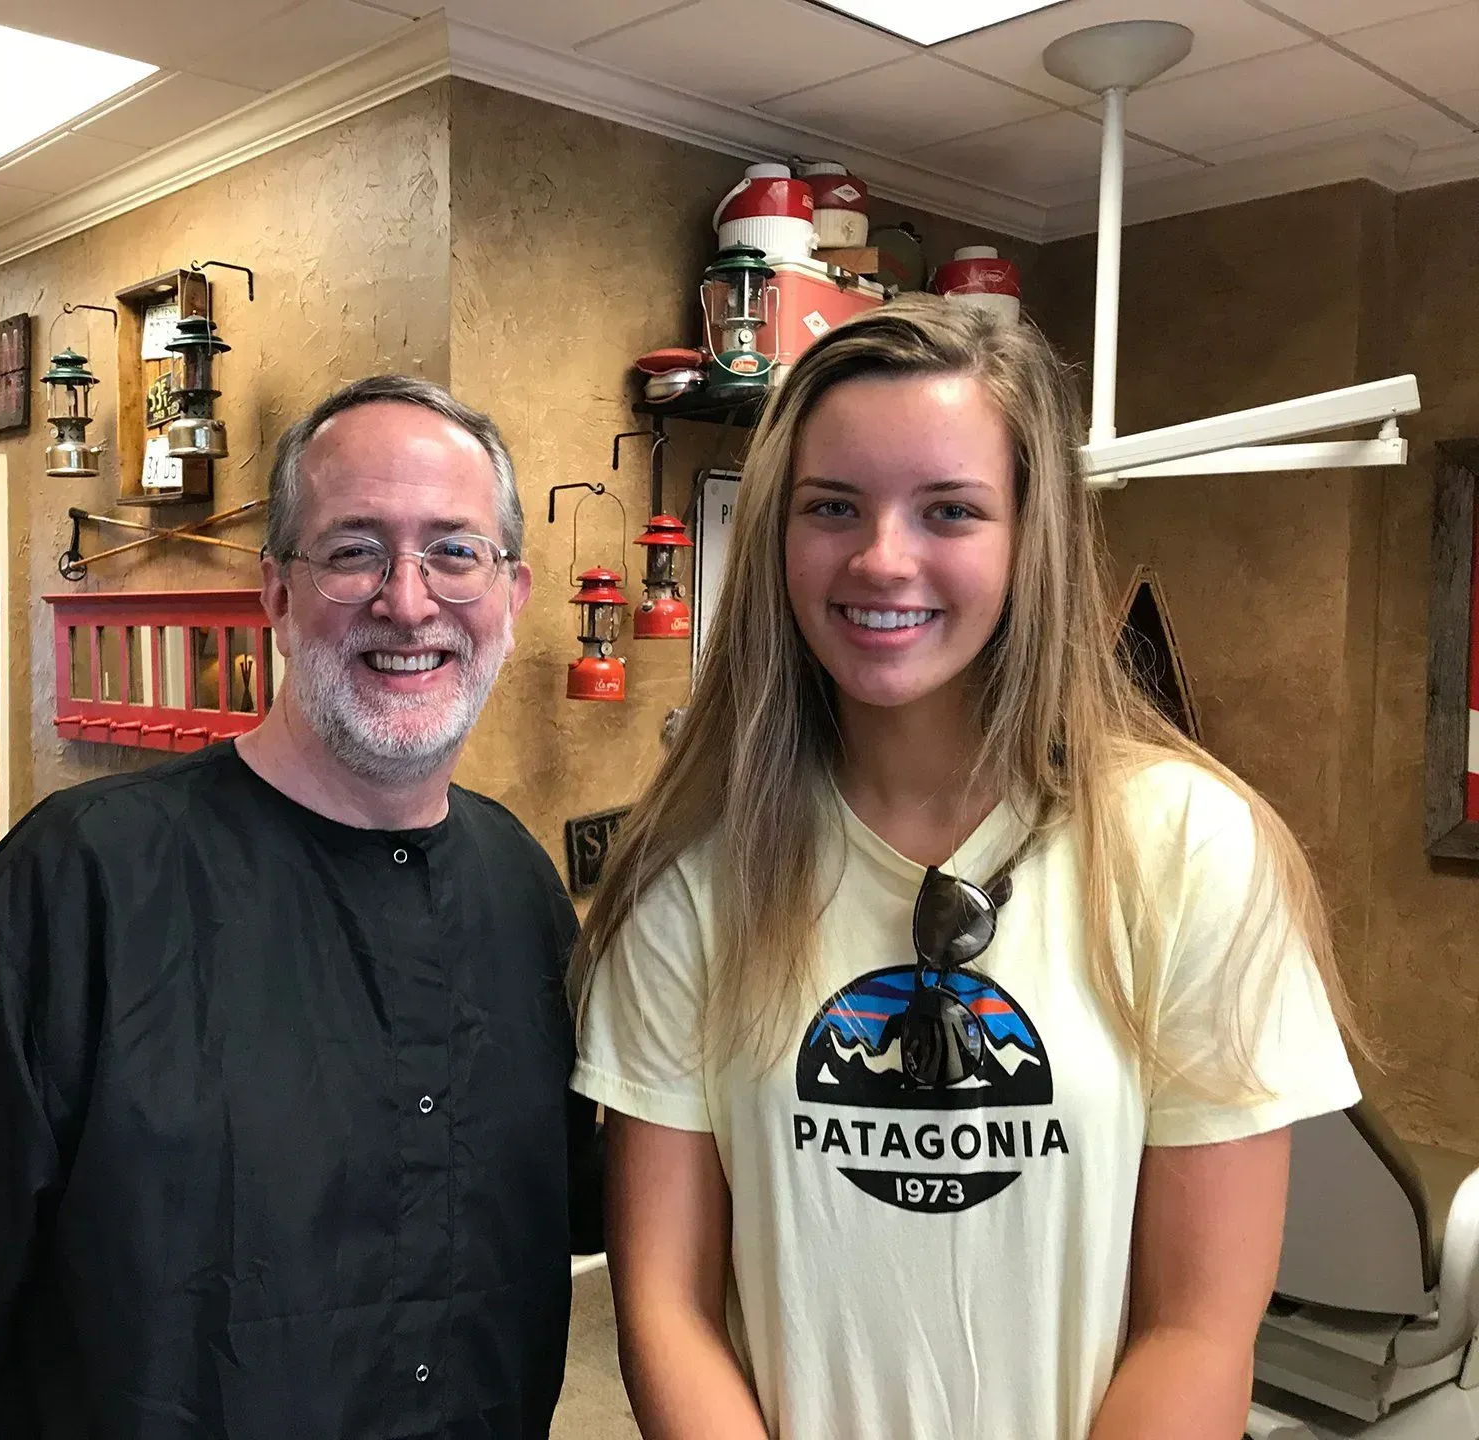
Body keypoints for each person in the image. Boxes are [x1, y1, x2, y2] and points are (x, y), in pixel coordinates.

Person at [570, 298, 1361, 1440]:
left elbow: (1197, 1326)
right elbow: (665, 1304)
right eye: (831, 507)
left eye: (949, 510)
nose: (882, 558)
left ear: (1028, 537)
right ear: (777, 538)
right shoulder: (692, 876)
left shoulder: (1188, 850)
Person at [0, 375, 603, 1439]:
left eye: (454, 552)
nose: (408, 601)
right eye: (354, 548)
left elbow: (591, 1204)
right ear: (275, 593)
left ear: (511, 596)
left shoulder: (520, 890)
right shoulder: (82, 882)